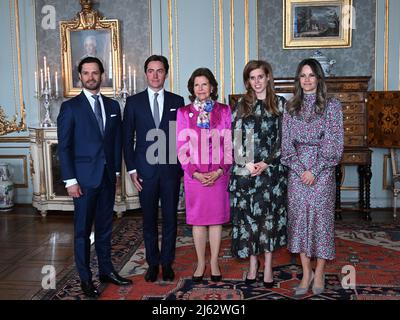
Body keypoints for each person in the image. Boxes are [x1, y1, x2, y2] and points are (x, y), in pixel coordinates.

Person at [57, 57, 132, 298]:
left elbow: (116, 142)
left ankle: (106, 271)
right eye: (86, 73)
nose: (91, 77)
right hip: (83, 181)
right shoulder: (70, 108)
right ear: (80, 76)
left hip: (108, 177)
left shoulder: (112, 107)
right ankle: (86, 279)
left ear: (102, 75)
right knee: (82, 232)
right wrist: (70, 181)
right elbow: (64, 147)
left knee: (105, 230)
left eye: (95, 73)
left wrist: (117, 172)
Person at [281, 58, 344, 296]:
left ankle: (319, 272)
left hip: (323, 172)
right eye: (303, 75)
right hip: (297, 173)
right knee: (298, 221)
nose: (307, 80)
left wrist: (314, 170)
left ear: (318, 78)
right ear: (299, 79)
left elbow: (334, 145)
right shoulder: (290, 107)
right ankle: (306, 272)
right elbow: (286, 147)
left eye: (311, 75)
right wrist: (300, 169)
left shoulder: (332, 106)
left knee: (320, 221)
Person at [122, 55, 184, 282]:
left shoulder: (177, 101)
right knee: (148, 220)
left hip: (170, 171)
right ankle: (152, 263)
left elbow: (182, 138)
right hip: (144, 171)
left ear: (166, 73)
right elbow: (127, 139)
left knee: (170, 219)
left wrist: (182, 166)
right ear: (145, 73)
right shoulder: (133, 102)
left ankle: (167, 263)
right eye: (151, 70)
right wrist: (131, 169)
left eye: (160, 70)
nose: (155, 75)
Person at [229, 60, 288, 287]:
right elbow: (236, 139)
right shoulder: (241, 105)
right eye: (252, 78)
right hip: (247, 172)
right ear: (248, 81)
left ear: (268, 77)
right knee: (250, 220)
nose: (257, 82)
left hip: (271, 174)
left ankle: (269, 267)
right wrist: (248, 164)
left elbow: (285, 139)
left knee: (268, 222)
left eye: (260, 77)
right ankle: (253, 264)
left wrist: (266, 163)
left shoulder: (280, 104)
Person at [176, 68, 232, 282]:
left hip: (218, 174)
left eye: (204, 84)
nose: (201, 88)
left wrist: (219, 171)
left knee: (215, 221)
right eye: (197, 85)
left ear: (212, 87)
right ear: (192, 88)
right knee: (198, 221)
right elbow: (181, 148)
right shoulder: (183, 113)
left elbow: (228, 144)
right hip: (194, 176)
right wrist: (196, 174)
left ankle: (215, 262)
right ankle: (201, 262)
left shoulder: (224, 111)